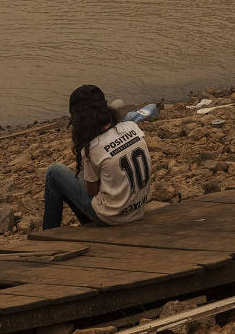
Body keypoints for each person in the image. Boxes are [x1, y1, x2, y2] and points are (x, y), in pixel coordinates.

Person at [41, 84, 153, 230]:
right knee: (80, 180)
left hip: (112, 217)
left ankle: (48, 234)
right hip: (138, 210)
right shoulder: (132, 127)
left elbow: (92, 192)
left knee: (54, 173)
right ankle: (88, 226)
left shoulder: (92, 148)